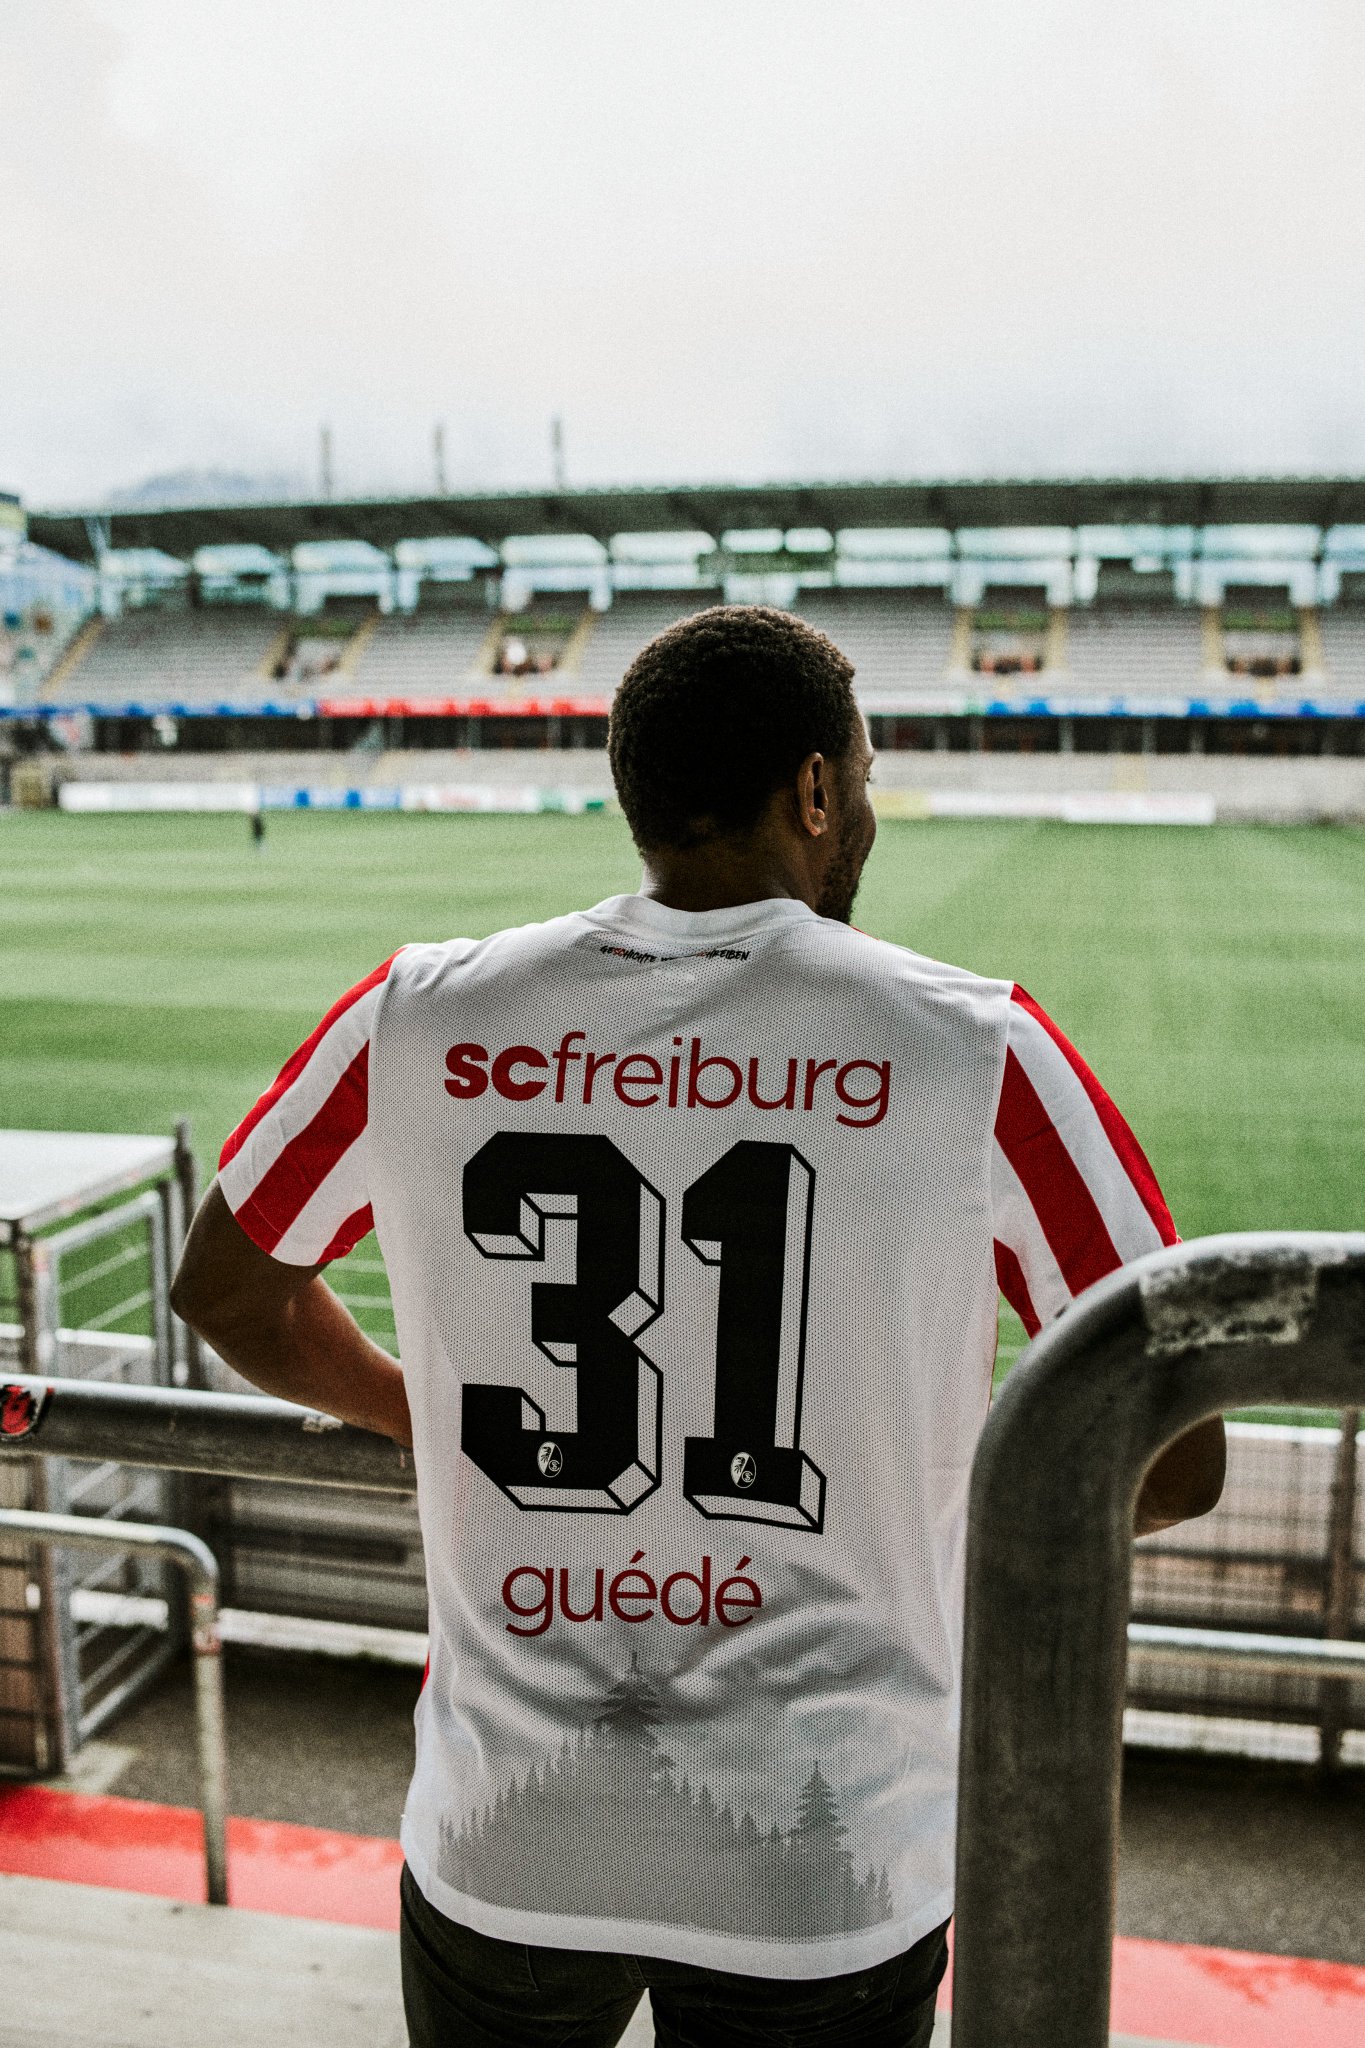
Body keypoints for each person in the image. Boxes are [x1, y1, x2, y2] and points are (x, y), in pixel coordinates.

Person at [171, 605, 1225, 2048]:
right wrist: (909, 1501)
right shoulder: (982, 1047)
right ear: (809, 792)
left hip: (502, 1837)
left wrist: (434, 1419)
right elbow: (1174, 1453)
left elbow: (228, 1291)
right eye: (858, 779)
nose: (864, 814)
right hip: (825, 1858)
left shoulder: (409, 1014)